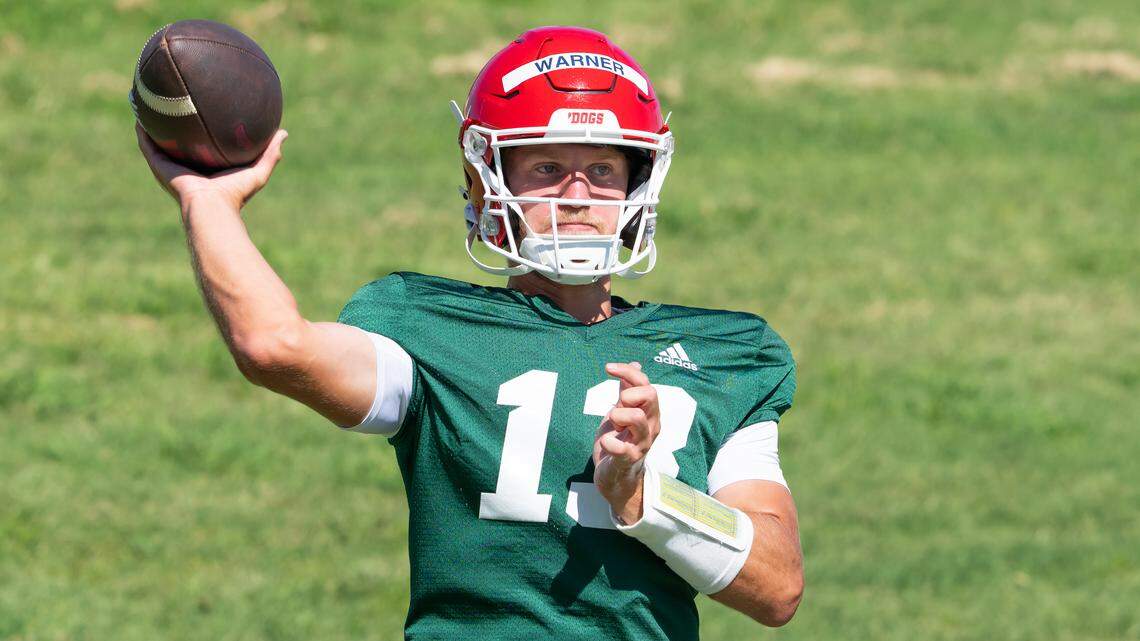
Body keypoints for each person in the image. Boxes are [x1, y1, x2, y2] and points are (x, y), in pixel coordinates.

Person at [137, 25, 803, 640]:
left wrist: (645, 495)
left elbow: (776, 586)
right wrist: (208, 202)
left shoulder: (725, 354)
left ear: (637, 186)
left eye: (602, 170)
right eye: (545, 168)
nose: (577, 195)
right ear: (487, 182)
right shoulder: (425, 328)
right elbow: (272, 345)